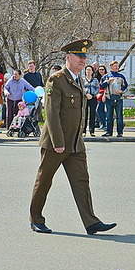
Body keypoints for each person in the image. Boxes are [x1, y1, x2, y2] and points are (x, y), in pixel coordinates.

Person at [29, 39, 116, 235]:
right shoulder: (56, 79)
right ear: (68, 57)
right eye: (80, 56)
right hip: (56, 143)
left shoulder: (79, 79)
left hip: (75, 142)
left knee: (81, 182)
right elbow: (51, 113)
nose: (83, 60)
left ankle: (91, 222)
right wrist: (58, 142)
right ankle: (36, 219)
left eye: (85, 57)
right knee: (44, 181)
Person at [101, 60, 128, 137]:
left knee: (119, 116)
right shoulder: (106, 76)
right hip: (109, 98)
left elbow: (126, 86)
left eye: (117, 66)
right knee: (109, 116)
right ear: (111, 67)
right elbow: (101, 86)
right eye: (115, 66)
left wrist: (121, 91)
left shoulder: (121, 76)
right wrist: (107, 81)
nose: (117, 67)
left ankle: (120, 132)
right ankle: (109, 132)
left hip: (119, 98)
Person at [82, 65, 99, 136]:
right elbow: (81, 87)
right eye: (87, 70)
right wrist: (86, 94)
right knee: (84, 115)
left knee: (92, 115)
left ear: (92, 71)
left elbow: (98, 88)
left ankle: (92, 131)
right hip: (85, 98)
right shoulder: (82, 79)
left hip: (93, 98)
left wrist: (92, 95)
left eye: (90, 70)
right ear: (85, 71)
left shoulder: (95, 80)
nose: (88, 71)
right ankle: (83, 131)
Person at [95, 64, 108, 131]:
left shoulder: (107, 77)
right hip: (99, 96)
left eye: (102, 69)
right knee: (99, 110)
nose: (101, 71)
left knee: (102, 110)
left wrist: (104, 95)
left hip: (106, 95)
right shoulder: (97, 77)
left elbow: (106, 87)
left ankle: (105, 125)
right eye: (100, 69)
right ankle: (103, 124)